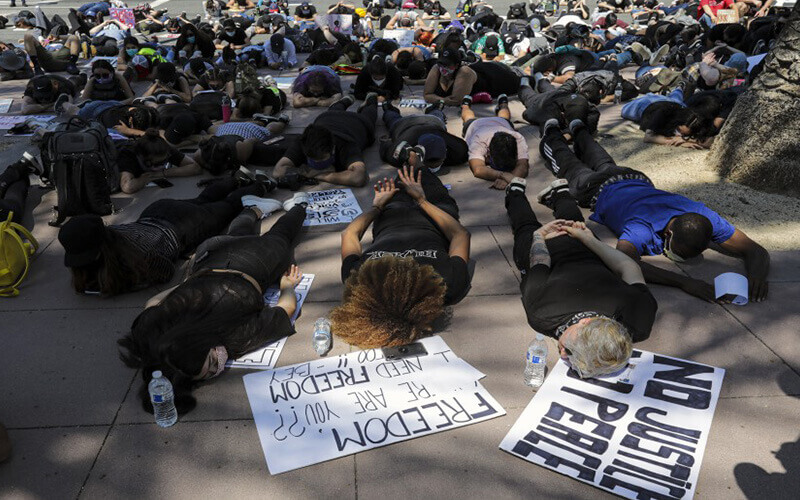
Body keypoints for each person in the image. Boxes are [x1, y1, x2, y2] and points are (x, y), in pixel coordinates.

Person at [538, 117, 770, 302]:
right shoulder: (641, 228)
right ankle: (551, 131)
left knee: (599, 156)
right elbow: (626, 262)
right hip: (594, 188)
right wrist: (684, 282)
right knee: (567, 163)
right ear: (668, 234)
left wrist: (757, 276)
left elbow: (754, 250)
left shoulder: (703, 215)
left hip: (630, 176)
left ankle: (579, 129)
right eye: (678, 252)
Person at [117, 193, 311, 415]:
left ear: (201, 341)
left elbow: (286, 310)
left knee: (280, 238)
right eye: (209, 372)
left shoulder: (235, 335)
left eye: (211, 361)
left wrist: (287, 286)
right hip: (209, 255)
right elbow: (153, 302)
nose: (217, 365)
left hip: (253, 261)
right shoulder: (152, 334)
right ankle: (253, 209)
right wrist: (188, 283)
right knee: (235, 235)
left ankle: (299, 205)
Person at [504, 151, 656, 380]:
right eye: (570, 351)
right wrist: (539, 238)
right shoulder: (544, 314)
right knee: (527, 227)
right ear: (585, 322)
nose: (562, 353)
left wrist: (582, 240)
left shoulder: (639, 321)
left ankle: (555, 193)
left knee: (572, 224)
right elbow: (539, 263)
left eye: (568, 357)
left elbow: (628, 268)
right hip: (570, 250)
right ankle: (516, 193)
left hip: (583, 250)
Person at [58, 176, 283, 296]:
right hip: (157, 212)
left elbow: (166, 272)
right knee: (202, 201)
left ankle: (263, 184)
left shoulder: (139, 257)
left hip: (184, 227)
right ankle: (234, 179)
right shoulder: (114, 238)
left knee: (227, 206)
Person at [332, 165, 471, 348]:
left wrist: (377, 206)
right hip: (436, 210)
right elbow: (459, 234)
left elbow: (349, 235)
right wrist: (422, 200)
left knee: (403, 173)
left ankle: (410, 157)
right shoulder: (444, 286)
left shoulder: (359, 281)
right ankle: (417, 159)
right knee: (421, 170)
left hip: (390, 212)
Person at [273, 94, 378, 187]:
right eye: (313, 159)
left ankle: (372, 99)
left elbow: (358, 178)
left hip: (358, 122)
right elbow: (278, 171)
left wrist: (321, 175)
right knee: (335, 110)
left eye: (322, 159)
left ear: (332, 148)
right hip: (329, 116)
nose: (318, 163)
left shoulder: (346, 144)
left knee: (369, 114)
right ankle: (345, 101)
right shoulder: (303, 140)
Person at [461, 94, 529, 190]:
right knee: (468, 118)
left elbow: (523, 165)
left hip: (501, 122)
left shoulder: (517, 138)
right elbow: (477, 169)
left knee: (504, 118)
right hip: (476, 125)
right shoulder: (479, 140)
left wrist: (510, 179)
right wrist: (504, 175)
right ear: (489, 152)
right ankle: (465, 105)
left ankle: (503, 103)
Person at [379, 101, 468, 172]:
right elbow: (386, 146)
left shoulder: (459, 150)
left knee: (437, 116)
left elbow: (386, 142)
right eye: (430, 162)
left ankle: (437, 108)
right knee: (392, 119)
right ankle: (388, 109)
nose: (433, 166)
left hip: (431, 122)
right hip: (405, 125)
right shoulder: (400, 153)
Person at [116, 129, 201, 193]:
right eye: (157, 163)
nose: (161, 165)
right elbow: (127, 187)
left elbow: (195, 167)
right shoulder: (128, 155)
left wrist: (163, 173)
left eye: (164, 161)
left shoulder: (163, 148)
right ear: (143, 158)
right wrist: (145, 178)